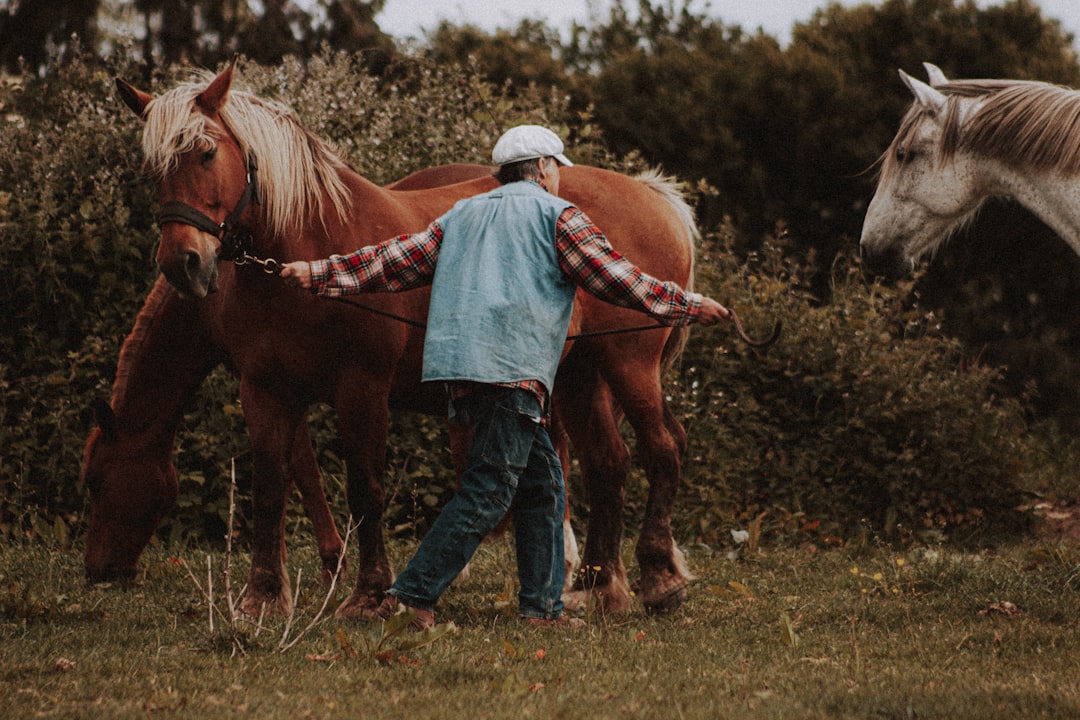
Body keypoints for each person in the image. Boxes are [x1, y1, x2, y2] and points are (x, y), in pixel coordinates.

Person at [281, 125, 733, 630]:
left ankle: (541, 611)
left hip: (462, 373)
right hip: (513, 371)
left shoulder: (464, 214)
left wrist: (320, 274)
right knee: (490, 490)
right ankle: (411, 597)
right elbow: (615, 279)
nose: (560, 178)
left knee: (542, 487)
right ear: (543, 168)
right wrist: (689, 305)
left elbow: (395, 262)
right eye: (558, 168)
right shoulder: (558, 216)